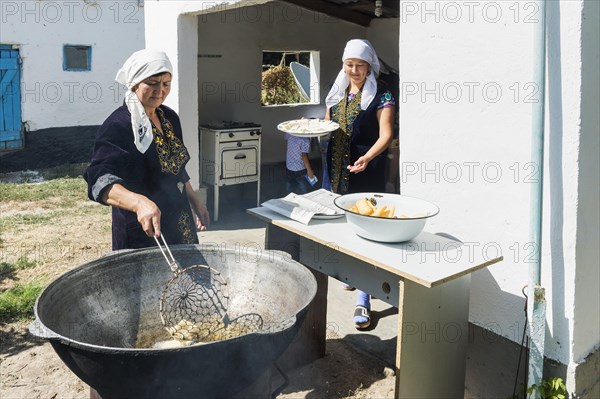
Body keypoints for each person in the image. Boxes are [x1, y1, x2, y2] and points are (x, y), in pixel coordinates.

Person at [84, 49, 209, 251]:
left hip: (179, 218)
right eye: (152, 83)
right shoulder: (118, 125)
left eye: (166, 84)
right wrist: (138, 203)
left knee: (187, 276)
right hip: (143, 227)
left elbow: (175, 168)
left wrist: (195, 201)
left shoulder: (169, 118)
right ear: (135, 83)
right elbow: (98, 178)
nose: (160, 90)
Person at [323, 39, 395, 329]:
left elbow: (386, 134)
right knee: (343, 225)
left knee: (366, 228)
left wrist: (366, 157)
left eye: (360, 65)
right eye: (349, 64)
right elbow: (327, 124)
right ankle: (353, 274)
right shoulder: (338, 91)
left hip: (367, 169)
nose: (354, 70)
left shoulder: (383, 94)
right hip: (337, 168)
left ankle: (364, 298)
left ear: (370, 66)